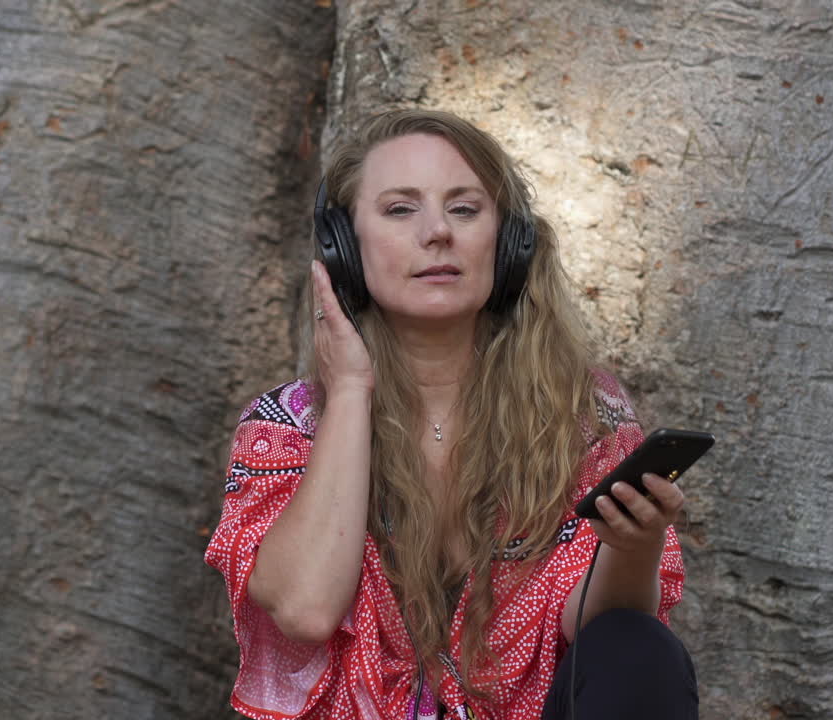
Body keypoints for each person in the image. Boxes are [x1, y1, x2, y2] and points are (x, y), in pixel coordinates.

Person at [205, 109, 698, 720]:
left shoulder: (582, 413)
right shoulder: (288, 425)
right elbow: (305, 611)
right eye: (400, 209)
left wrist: (636, 544)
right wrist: (352, 390)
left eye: (465, 209)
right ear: (344, 248)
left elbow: (599, 641)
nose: (438, 232)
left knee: (639, 646)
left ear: (511, 244)